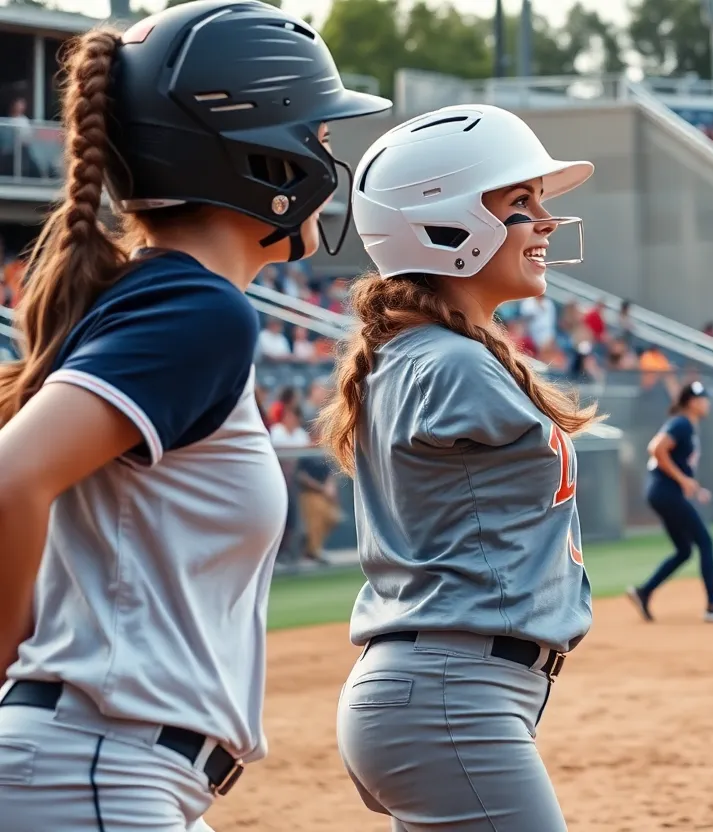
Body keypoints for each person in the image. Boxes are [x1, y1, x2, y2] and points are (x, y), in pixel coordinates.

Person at [0, 5, 388, 829]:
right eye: (317, 132)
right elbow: (11, 480)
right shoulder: (197, 308)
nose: (328, 155)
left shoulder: (163, 297)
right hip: (97, 767)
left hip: (102, 766)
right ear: (258, 151)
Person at [322, 104, 602, 831]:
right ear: (441, 221)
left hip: (445, 692)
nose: (543, 219)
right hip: (453, 693)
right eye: (519, 202)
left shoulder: (429, 353)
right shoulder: (450, 363)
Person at [627, 381, 713, 623]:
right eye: (703, 398)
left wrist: (693, 486)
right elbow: (656, 448)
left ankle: (644, 591)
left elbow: (678, 462)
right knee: (705, 541)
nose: (706, 403)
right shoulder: (681, 423)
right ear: (691, 402)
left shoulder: (688, 426)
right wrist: (682, 480)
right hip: (665, 491)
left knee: (684, 550)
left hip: (663, 492)